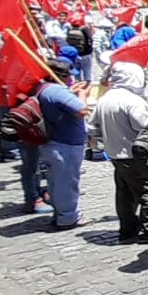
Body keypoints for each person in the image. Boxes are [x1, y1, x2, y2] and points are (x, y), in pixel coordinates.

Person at [90, 62, 148, 244]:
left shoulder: (105, 98)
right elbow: (144, 126)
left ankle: (128, 229)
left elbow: (93, 127)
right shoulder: (132, 101)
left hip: (115, 153)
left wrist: (106, 140)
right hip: (134, 154)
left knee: (124, 193)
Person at [40, 59, 92, 230]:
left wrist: (70, 92)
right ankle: (68, 217)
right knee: (66, 182)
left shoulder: (46, 89)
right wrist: (83, 95)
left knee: (56, 181)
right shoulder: (56, 90)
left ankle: (60, 213)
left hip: (54, 142)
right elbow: (82, 110)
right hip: (65, 143)